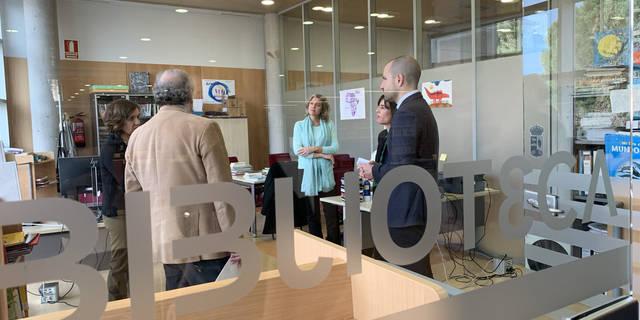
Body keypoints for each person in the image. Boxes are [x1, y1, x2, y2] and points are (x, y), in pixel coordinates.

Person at [125, 69, 237, 290]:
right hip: (205, 244)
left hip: (167, 243)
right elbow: (221, 192)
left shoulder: (137, 136)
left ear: (157, 96)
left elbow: (134, 197)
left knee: (178, 306)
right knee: (214, 308)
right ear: (190, 94)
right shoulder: (204, 128)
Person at [358, 56, 439, 278]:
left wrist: (373, 171)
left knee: (411, 278)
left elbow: (401, 171)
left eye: (385, 78)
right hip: (413, 208)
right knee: (413, 277)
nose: (382, 85)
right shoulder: (418, 108)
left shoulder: (407, 113)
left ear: (399, 79)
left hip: (406, 210)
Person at [100, 99, 140, 300]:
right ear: (119, 121)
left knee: (133, 260)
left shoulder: (132, 143)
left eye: (137, 117)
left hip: (132, 208)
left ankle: (130, 301)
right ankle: (116, 303)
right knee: (121, 260)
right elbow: (127, 180)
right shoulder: (111, 149)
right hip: (118, 212)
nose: (137, 122)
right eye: (132, 118)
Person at [292, 94, 340, 243]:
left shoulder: (329, 124)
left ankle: (335, 243)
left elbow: (335, 147)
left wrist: (314, 148)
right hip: (308, 173)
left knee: (331, 212)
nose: (313, 106)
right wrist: (322, 155)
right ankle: (317, 244)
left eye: (317, 104)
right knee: (312, 214)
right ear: (307, 106)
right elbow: (298, 151)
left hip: (325, 173)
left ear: (322, 108)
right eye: (311, 103)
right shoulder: (299, 125)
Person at [373, 95, 397, 164]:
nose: (377, 110)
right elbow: (379, 161)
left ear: (394, 111)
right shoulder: (382, 135)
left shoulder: (399, 135)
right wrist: (374, 166)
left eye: (382, 107)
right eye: (378, 107)